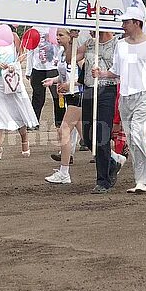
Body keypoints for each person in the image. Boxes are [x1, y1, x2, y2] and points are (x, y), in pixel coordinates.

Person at [92, 5, 146, 194]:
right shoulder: (121, 45)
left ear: (136, 23)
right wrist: (102, 73)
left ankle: (144, 180)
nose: (123, 25)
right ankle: (142, 180)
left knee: (138, 134)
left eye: (126, 22)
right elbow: (117, 71)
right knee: (132, 139)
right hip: (125, 97)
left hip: (145, 94)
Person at [0, 23, 38, 159]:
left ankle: (24, 141)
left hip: (13, 77)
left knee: (18, 107)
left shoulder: (13, 36)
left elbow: (22, 54)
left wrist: (14, 65)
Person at [79, 29, 120, 194]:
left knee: (102, 135)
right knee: (88, 137)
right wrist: (71, 42)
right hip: (89, 90)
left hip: (107, 90)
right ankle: (111, 162)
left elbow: (120, 70)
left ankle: (103, 180)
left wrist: (103, 74)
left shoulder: (118, 44)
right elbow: (71, 58)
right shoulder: (89, 43)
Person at [43, 28, 85, 184]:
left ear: (70, 36)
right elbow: (62, 75)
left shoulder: (78, 54)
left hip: (78, 95)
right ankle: (113, 158)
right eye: (57, 35)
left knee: (64, 131)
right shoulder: (61, 54)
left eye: (61, 35)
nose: (58, 38)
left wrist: (70, 84)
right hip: (69, 96)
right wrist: (53, 81)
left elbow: (84, 75)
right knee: (87, 136)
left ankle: (64, 172)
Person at [25, 26, 63, 130]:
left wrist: (60, 63)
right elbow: (30, 50)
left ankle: (60, 121)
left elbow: (62, 47)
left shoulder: (56, 27)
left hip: (53, 68)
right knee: (37, 96)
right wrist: (29, 70)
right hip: (38, 68)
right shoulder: (34, 29)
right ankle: (34, 121)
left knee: (58, 95)